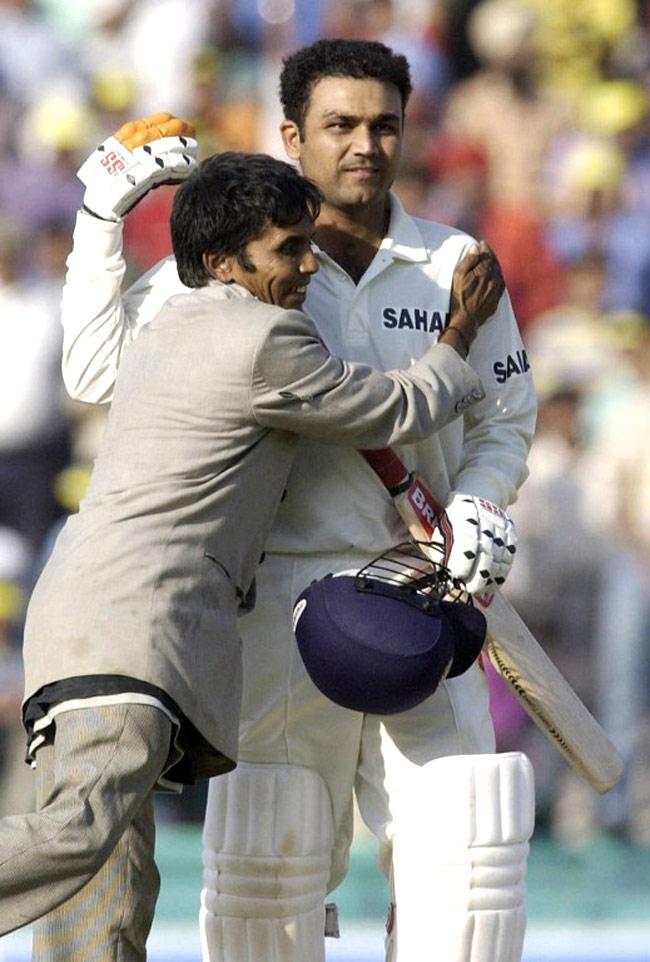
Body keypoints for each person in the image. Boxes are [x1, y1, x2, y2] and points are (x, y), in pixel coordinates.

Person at [60, 40, 537, 962]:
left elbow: (503, 418)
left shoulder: (457, 262)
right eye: (340, 125)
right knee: (264, 873)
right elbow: (94, 371)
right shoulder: (249, 258)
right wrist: (99, 224)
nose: (366, 144)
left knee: (468, 859)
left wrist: (482, 501)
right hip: (277, 605)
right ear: (292, 135)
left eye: (385, 124)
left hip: (427, 594)